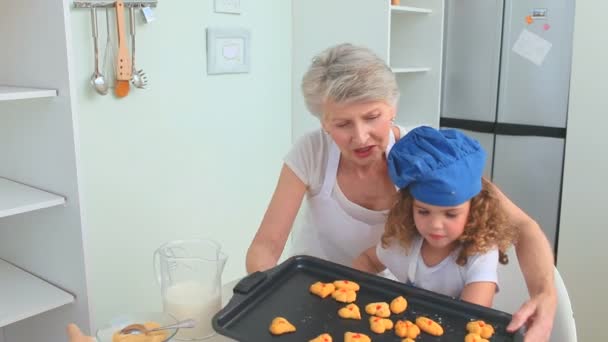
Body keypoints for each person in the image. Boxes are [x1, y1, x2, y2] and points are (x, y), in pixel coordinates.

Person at [246, 43, 556, 341]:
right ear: (324, 122)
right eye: (342, 123)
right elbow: (267, 245)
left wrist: (545, 295)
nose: (361, 136)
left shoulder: (428, 156)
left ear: (392, 107)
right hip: (317, 299)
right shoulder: (311, 152)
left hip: (390, 312)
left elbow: (524, 227)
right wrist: (265, 297)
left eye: (372, 117)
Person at [353, 126, 517, 307]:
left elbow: (473, 317)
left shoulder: (480, 255)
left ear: (474, 210)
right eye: (423, 211)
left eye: (451, 214)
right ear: (410, 208)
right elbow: (368, 260)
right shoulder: (406, 241)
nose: (436, 225)